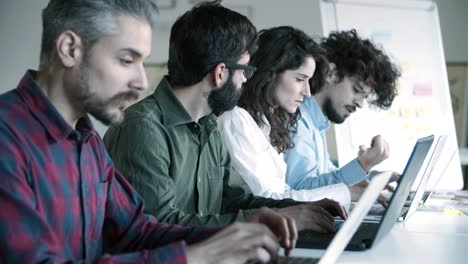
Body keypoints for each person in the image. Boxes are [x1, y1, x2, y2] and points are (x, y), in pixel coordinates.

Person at [0, 0, 304, 262]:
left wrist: (232, 234)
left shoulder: (86, 140)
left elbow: (136, 230)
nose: (142, 82)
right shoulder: (7, 137)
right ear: (70, 49)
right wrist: (196, 257)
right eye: (126, 59)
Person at [104, 1, 347, 233]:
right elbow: (162, 225)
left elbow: (236, 200)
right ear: (220, 73)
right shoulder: (143, 128)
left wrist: (299, 209)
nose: (246, 79)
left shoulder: (208, 126)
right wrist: (278, 220)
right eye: (246, 70)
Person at [217, 26, 353, 208]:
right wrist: (343, 193)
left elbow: (282, 193)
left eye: (308, 81)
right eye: (299, 79)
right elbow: (267, 201)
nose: (307, 92)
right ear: (270, 73)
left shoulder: (266, 122)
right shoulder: (235, 120)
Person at [284, 30, 401, 205]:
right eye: (357, 90)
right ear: (332, 74)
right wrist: (363, 165)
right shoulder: (298, 121)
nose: (360, 103)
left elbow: (324, 176)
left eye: (365, 97)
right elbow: (301, 190)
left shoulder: (317, 123)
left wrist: (367, 177)